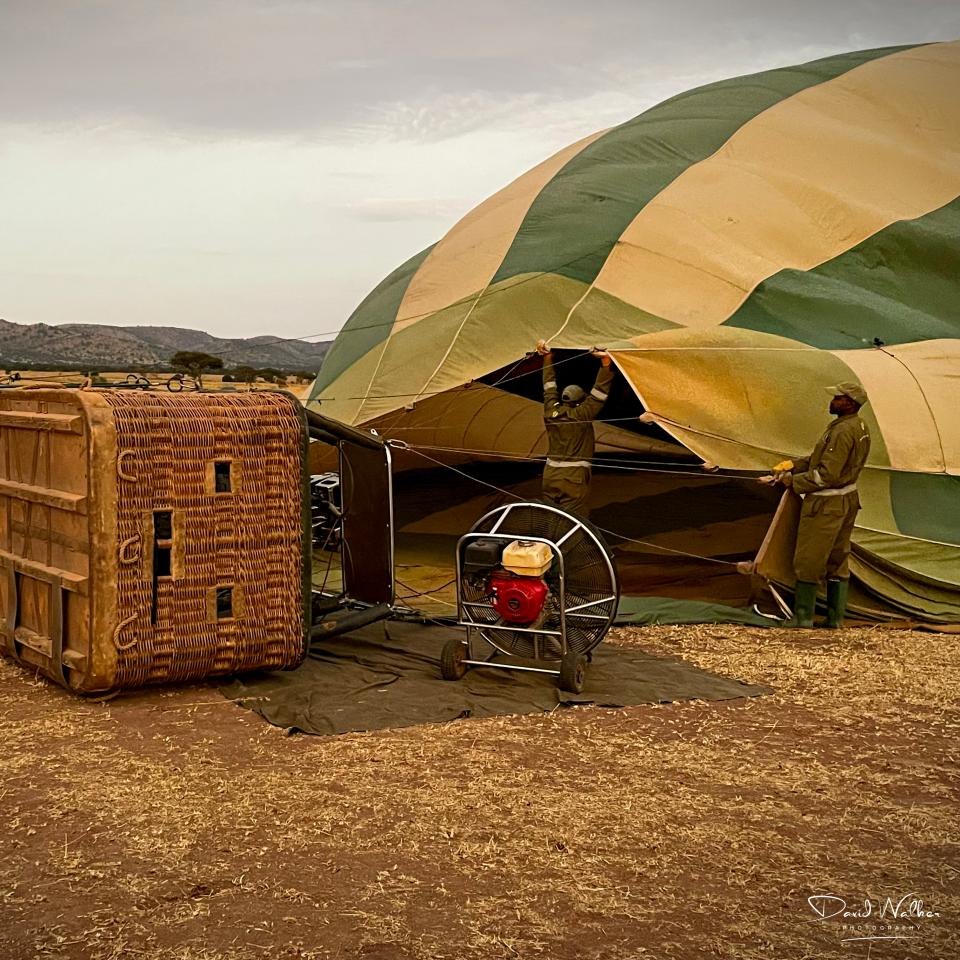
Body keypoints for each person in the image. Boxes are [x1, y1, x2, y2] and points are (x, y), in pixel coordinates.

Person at [774, 381, 871, 628]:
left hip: (827, 505)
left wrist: (792, 481)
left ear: (849, 403)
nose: (833, 401)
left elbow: (826, 475)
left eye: (838, 398)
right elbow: (821, 460)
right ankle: (835, 619)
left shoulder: (841, 432)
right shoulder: (858, 426)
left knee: (809, 559)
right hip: (847, 501)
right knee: (838, 560)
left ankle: (803, 617)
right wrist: (793, 465)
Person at [536, 340, 614, 518]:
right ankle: (570, 545)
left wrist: (547, 358)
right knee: (574, 520)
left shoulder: (551, 411)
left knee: (551, 517)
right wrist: (606, 363)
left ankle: (550, 543)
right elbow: (599, 392)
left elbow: (549, 386)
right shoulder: (581, 414)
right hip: (573, 478)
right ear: (580, 400)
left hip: (550, 475)